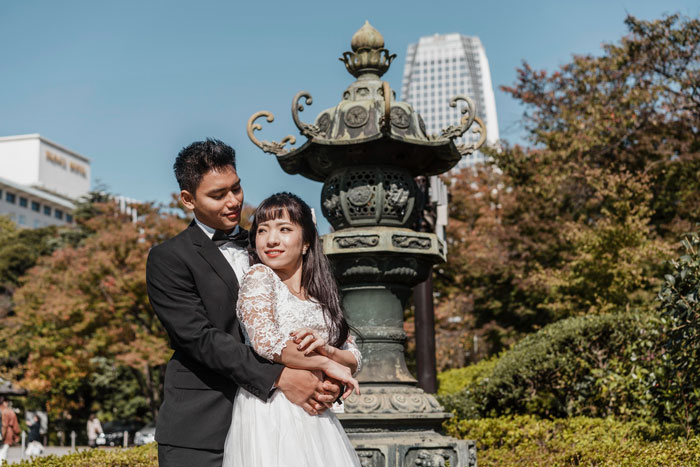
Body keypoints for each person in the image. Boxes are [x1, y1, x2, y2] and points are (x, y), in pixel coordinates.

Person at [147, 139, 341, 467]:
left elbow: (312, 312)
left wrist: (326, 374)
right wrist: (280, 377)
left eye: (236, 188)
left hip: (279, 423)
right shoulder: (168, 258)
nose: (233, 201)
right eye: (217, 195)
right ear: (188, 199)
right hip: (202, 427)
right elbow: (199, 338)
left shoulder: (270, 245)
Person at [223, 192, 362, 467]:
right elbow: (266, 342)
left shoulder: (320, 296)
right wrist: (325, 363)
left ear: (306, 242)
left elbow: (355, 356)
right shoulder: (259, 277)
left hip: (318, 418)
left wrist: (328, 350)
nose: (271, 240)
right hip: (273, 411)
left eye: (284, 229)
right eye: (262, 230)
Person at [0, 396, 20, 463]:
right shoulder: (10, 412)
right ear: (5, 402)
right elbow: (15, 426)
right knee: (3, 453)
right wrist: (16, 436)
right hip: (7, 436)